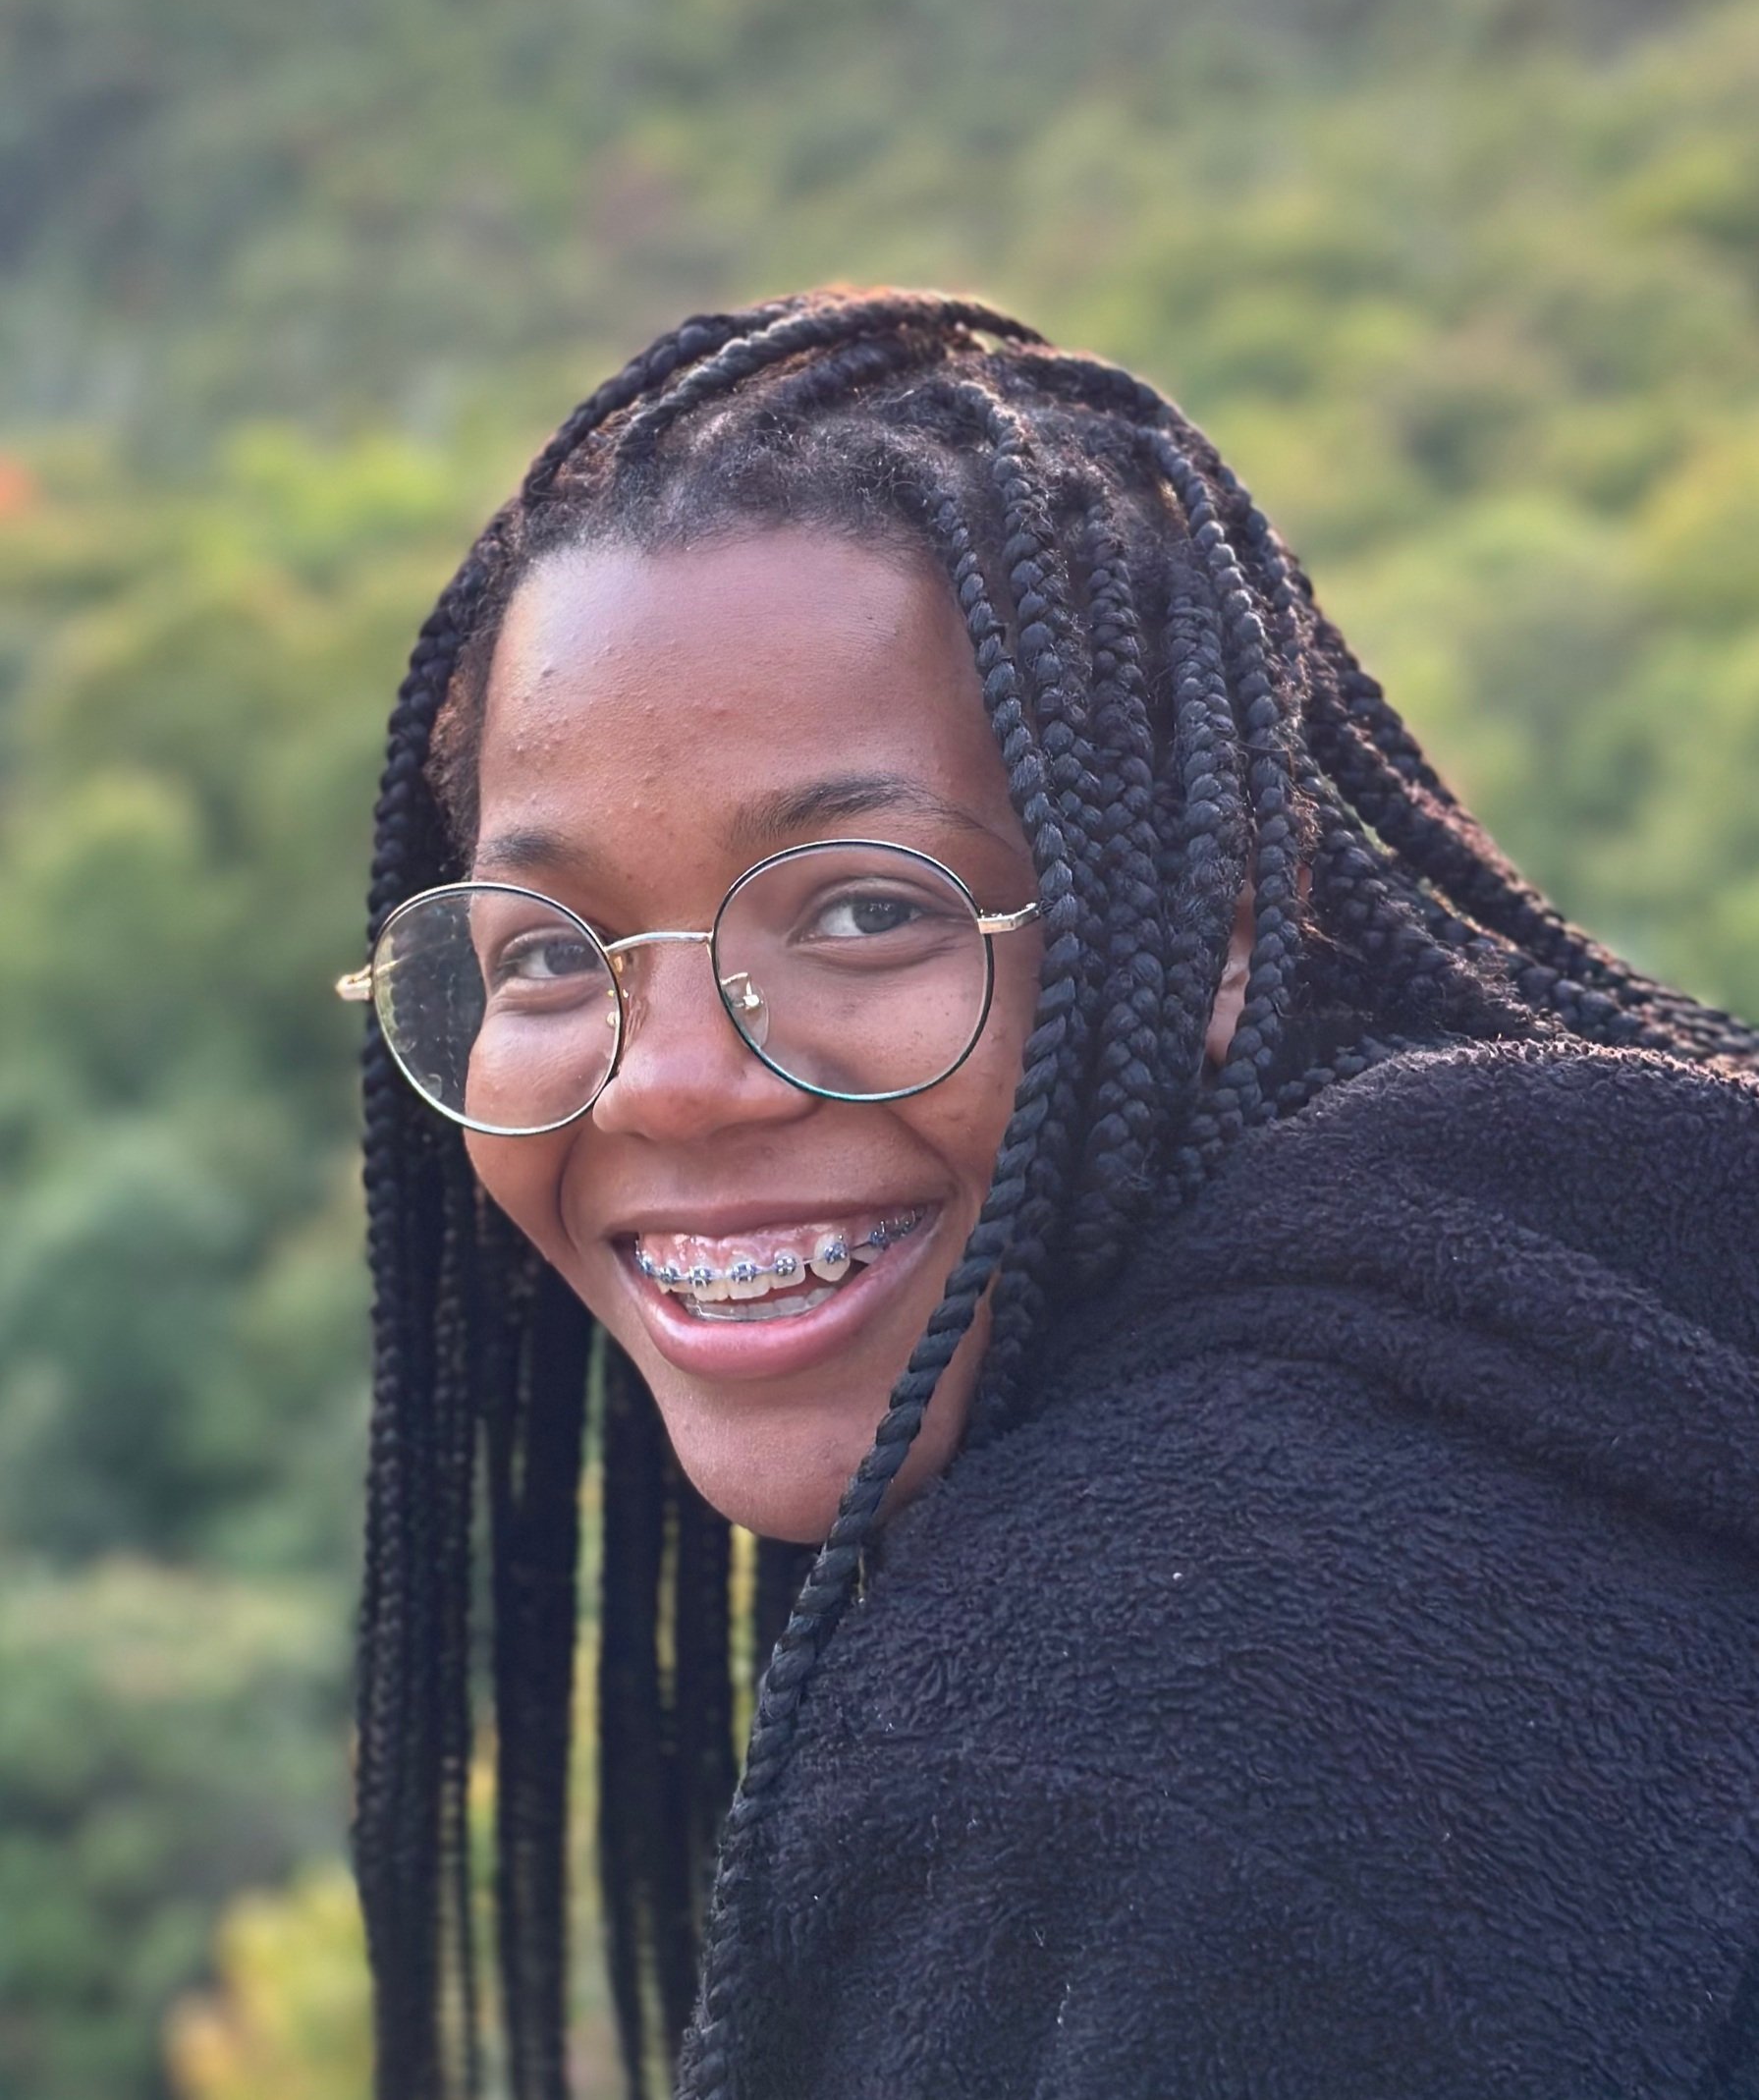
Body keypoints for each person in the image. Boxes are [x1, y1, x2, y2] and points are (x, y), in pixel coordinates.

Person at [340, 289, 1759, 2100]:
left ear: (1216, 931)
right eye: (547, 951)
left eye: (866, 909)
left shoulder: (1136, 1724)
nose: (673, 1074)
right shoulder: (1570, 1388)